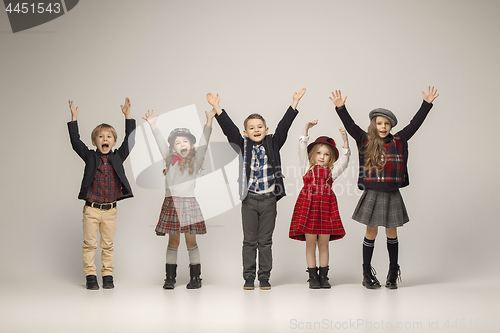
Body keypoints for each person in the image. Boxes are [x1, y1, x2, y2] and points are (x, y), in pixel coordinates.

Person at [330, 86, 439, 289]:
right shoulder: (366, 140)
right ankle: (366, 273)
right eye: (379, 123)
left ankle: (392, 272)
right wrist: (341, 108)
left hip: (391, 193)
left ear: (391, 126)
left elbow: (414, 124)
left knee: (392, 233)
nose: (383, 126)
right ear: (374, 125)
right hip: (372, 193)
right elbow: (351, 126)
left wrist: (427, 104)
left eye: (386, 123)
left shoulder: (399, 139)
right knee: (371, 233)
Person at [207, 89, 305, 290]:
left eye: (260, 126)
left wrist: (294, 103)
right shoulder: (242, 145)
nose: (256, 129)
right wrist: (217, 107)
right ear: (246, 132)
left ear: (266, 129)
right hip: (249, 200)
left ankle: (264, 277)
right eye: (252, 128)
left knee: (265, 241)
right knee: (250, 241)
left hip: (269, 199)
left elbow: (283, 127)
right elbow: (229, 129)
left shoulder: (272, 142)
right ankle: (249, 277)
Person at [142, 108, 215, 289]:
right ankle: (170, 278)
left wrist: (209, 122)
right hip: (172, 204)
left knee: (191, 242)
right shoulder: (169, 159)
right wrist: (153, 125)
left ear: (190, 145)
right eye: (177, 143)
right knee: (173, 242)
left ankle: (195, 278)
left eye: (185, 141)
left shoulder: (195, 161)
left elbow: (204, 144)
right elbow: (160, 143)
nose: (182, 144)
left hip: (188, 204)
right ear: (172, 148)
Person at [67, 98, 136, 290]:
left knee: (108, 245)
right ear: (94, 141)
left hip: (110, 211)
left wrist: (128, 116)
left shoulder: (118, 157)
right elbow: (75, 142)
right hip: (92, 209)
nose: (105, 139)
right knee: (89, 244)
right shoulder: (90, 157)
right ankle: (90, 276)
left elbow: (130, 141)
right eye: (100, 137)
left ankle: (107, 275)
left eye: (108, 137)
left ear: (113, 141)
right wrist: (74, 119)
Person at [289, 119, 350, 289]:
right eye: (319, 153)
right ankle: (312, 276)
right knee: (310, 243)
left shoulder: (332, 172)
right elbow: (301, 148)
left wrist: (345, 143)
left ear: (331, 158)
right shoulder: (306, 167)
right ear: (313, 155)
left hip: (326, 209)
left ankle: (324, 276)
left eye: (326, 154)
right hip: (308, 208)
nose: (322, 157)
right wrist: (305, 128)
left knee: (323, 243)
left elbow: (344, 162)